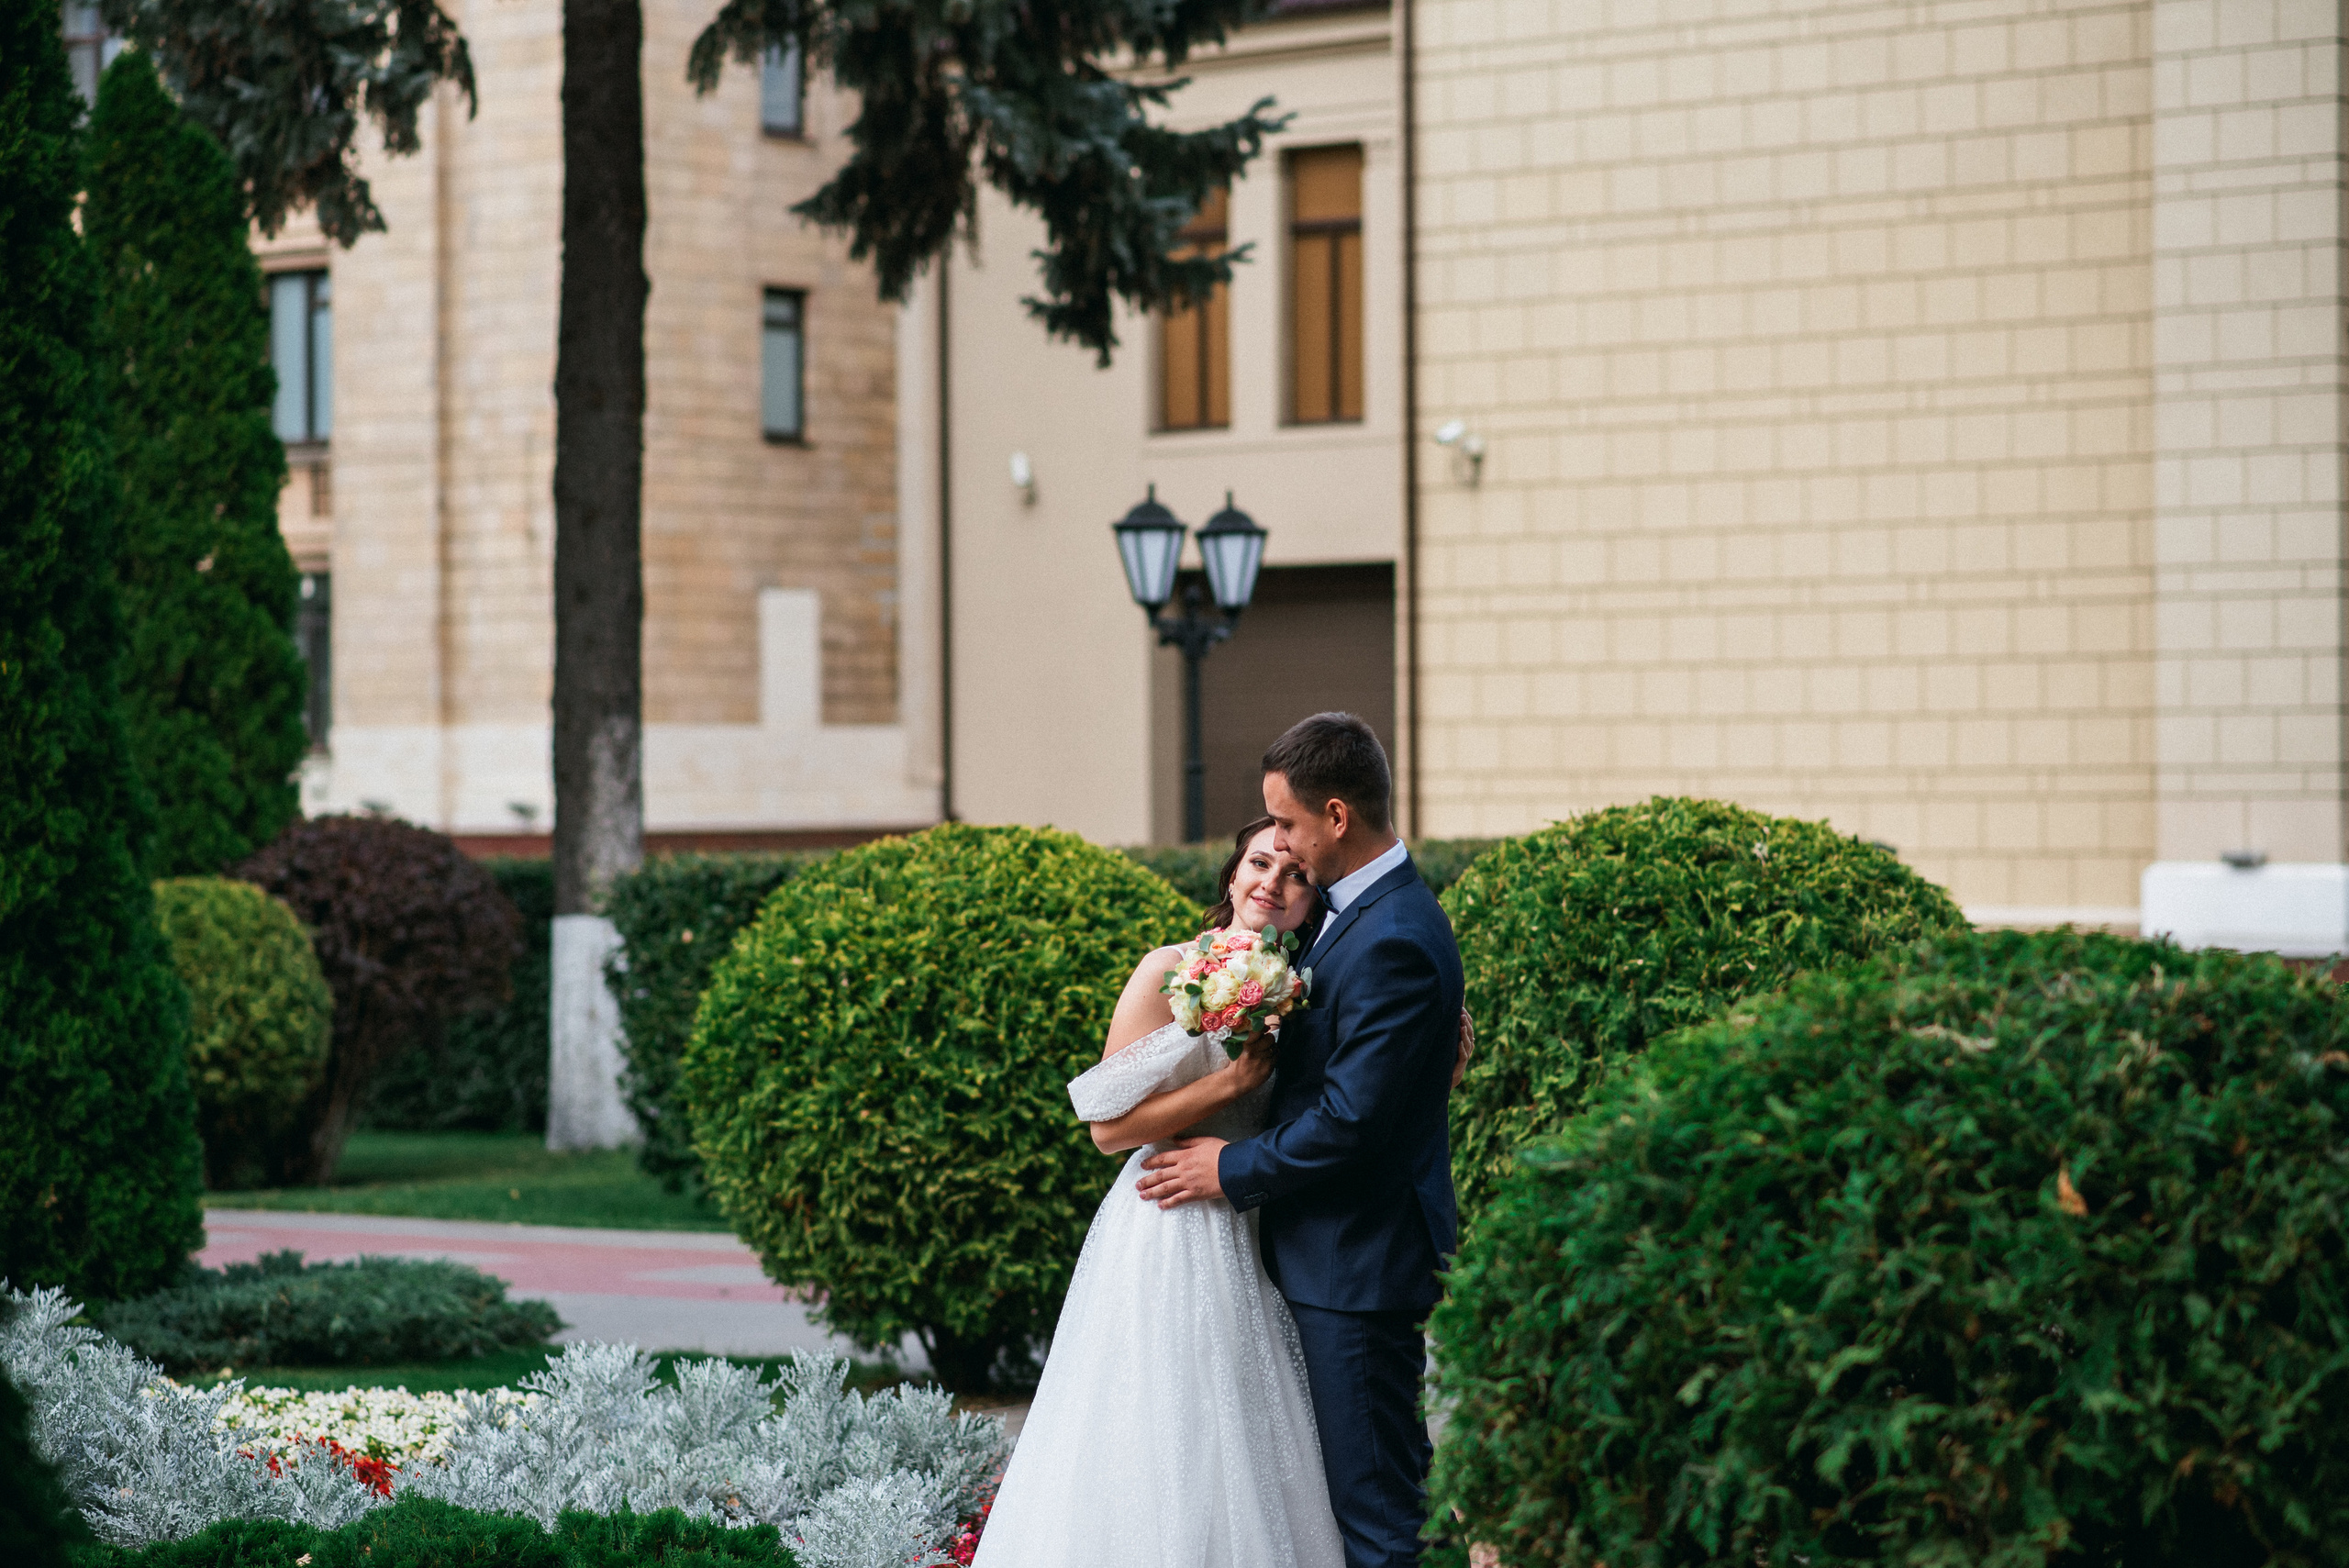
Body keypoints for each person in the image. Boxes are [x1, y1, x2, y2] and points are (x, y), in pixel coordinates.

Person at [970, 817, 1348, 1568]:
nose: (1272, 881)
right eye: (1259, 864)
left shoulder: (1306, 993)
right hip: (1168, 1218)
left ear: (1312, 901)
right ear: (1232, 877)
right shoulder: (1168, 968)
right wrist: (1230, 1082)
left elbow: (1338, 1115)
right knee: (1156, 1417)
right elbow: (1107, 1128)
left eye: (1294, 873)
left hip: (1255, 1218)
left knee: (1245, 1429)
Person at [1137, 712, 1465, 1568]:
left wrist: (1226, 1166)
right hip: (1327, 1251)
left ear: (1335, 815)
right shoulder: (1353, 916)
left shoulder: (1392, 934)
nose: (1277, 843)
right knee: (1356, 1496)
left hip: (1358, 1263)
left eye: (1285, 822)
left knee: (1377, 1515)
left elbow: (1351, 1121)